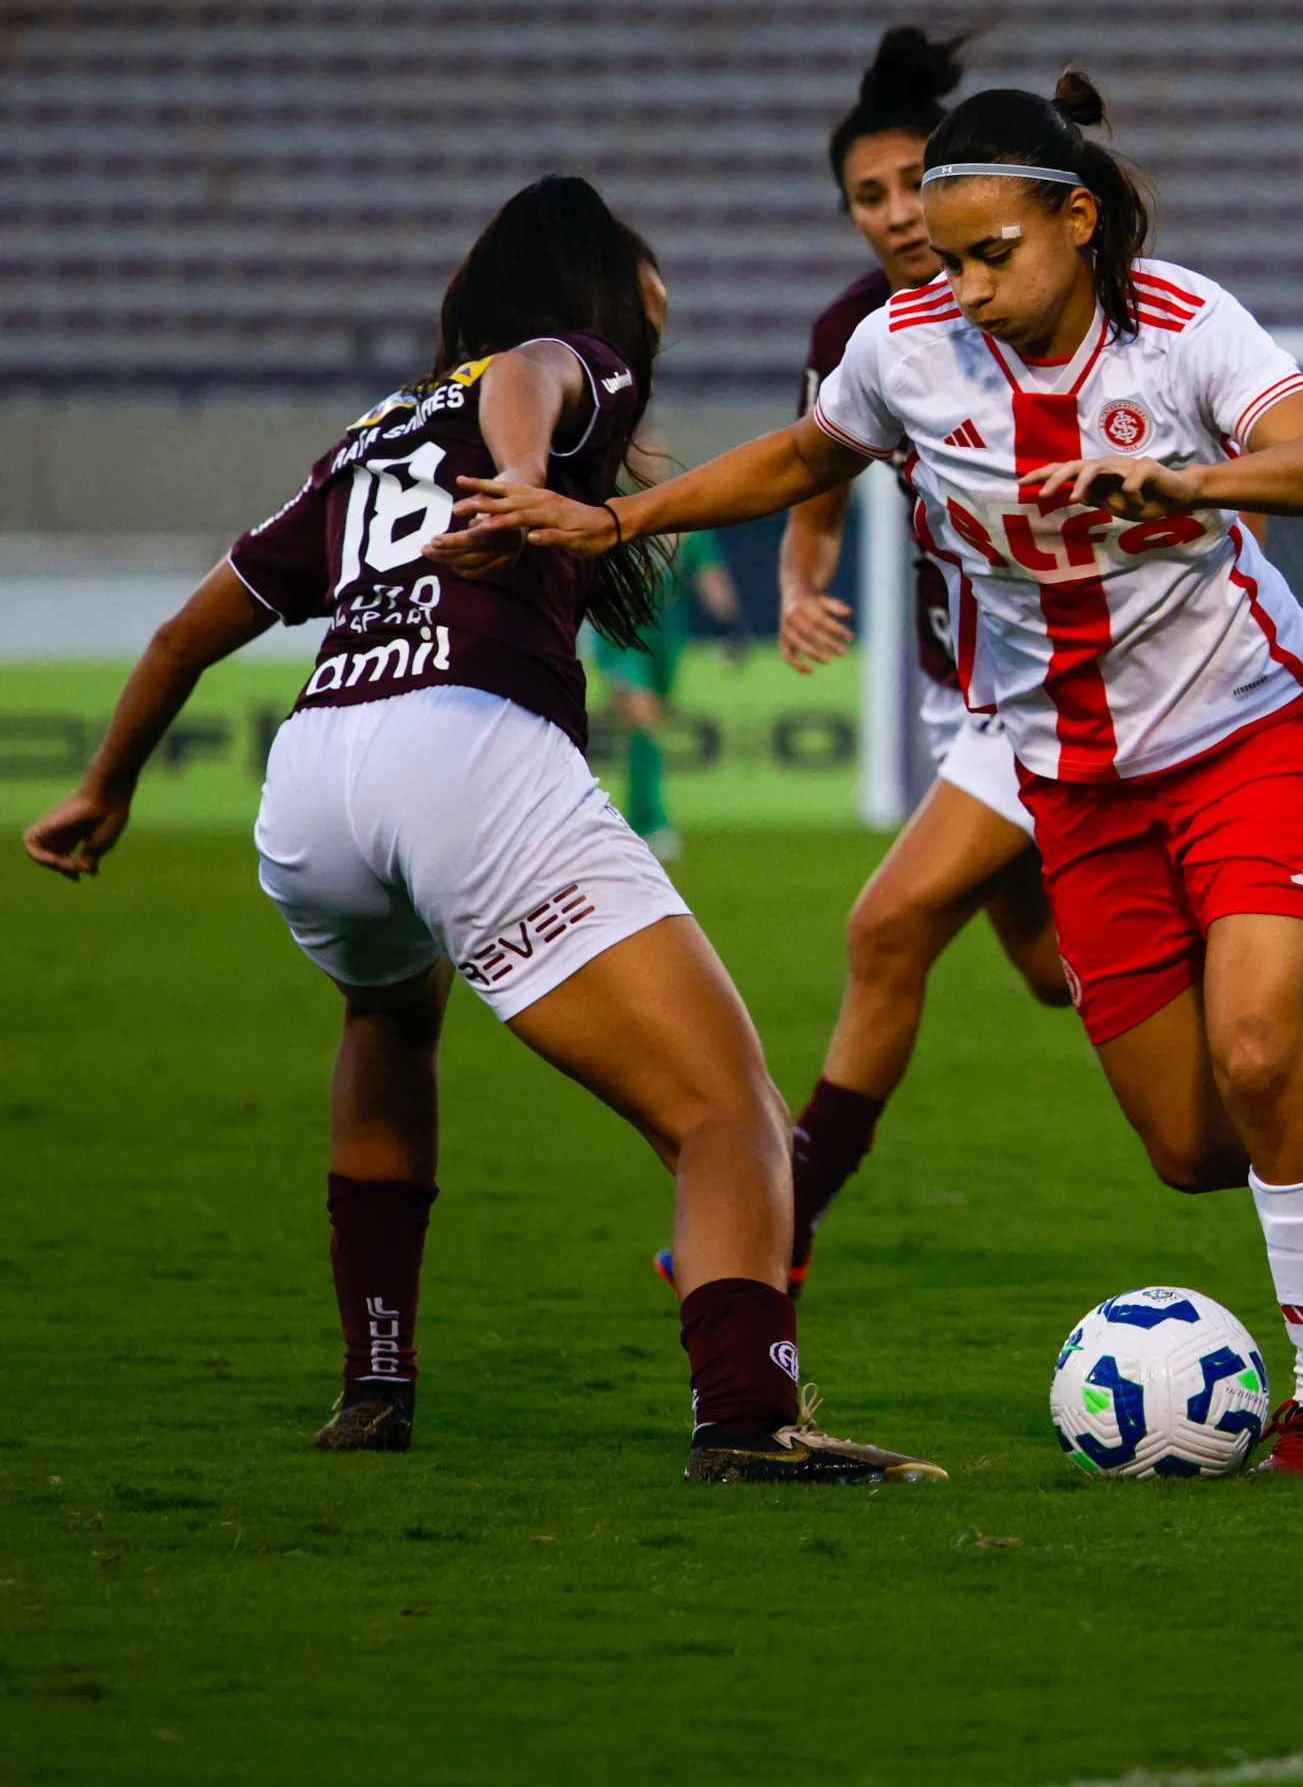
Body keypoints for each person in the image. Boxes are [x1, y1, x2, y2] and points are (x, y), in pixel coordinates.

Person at [448, 89, 1303, 1480]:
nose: (963, 285)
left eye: (992, 253)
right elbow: (810, 453)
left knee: (1255, 1052)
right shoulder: (905, 348)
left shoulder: (1180, 325)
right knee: (1193, 1140)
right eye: (943, 254)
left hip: (1250, 731)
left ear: (1076, 217)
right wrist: (614, 515)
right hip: (1069, 777)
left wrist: (1191, 483)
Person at [22, 175, 945, 1489]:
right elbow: (529, 370)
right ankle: (749, 1419)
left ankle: (376, 1380)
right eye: (646, 288)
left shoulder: (367, 441)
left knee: (391, 1019)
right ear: (601, 290)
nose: (655, 317)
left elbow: (188, 631)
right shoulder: (569, 367)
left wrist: (105, 787)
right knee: (729, 1111)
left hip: (315, 776)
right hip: (460, 747)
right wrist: (520, 475)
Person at [774, 27, 1071, 1295]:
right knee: (1059, 977)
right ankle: (1273, 928)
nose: (897, 215)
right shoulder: (860, 332)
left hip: (1059, 680)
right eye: (869, 197)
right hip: (964, 689)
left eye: (914, 186)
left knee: (884, 931)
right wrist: (798, 585)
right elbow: (815, 486)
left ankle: (771, 1222)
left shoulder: (1046, 288)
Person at [591, 528, 742, 861]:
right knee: (642, 718)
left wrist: (729, 626)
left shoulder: (689, 528)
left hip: (666, 641)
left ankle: (634, 820)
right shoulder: (611, 515)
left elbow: (711, 577)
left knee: (649, 730)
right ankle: (653, 824)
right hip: (619, 637)